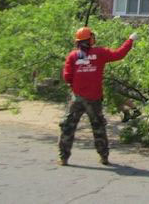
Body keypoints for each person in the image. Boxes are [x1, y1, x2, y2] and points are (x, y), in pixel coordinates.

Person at [58, 26, 138, 166]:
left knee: (68, 127)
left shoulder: (73, 56)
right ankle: (104, 157)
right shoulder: (100, 52)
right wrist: (130, 40)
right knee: (98, 128)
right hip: (94, 99)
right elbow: (119, 54)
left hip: (77, 98)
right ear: (90, 40)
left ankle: (63, 158)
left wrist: (77, 85)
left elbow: (67, 77)